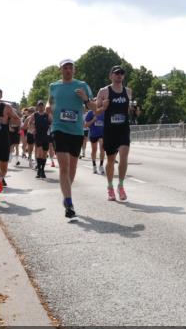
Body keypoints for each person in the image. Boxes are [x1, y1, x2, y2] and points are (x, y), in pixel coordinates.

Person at [49, 59, 95, 218]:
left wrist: (85, 99)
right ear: (60, 70)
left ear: (74, 70)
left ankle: (66, 193)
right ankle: (68, 202)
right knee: (64, 166)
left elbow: (94, 108)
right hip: (59, 129)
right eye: (65, 68)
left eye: (70, 67)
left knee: (73, 168)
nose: (68, 70)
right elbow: (51, 103)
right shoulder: (54, 86)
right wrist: (50, 108)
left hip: (76, 131)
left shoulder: (82, 86)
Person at [95, 65, 134, 201]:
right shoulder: (104, 91)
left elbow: (129, 109)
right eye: (116, 73)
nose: (119, 75)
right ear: (111, 75)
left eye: (121, 73)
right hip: (110, 130)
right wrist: (103, 107)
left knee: (124, 156)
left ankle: (121, 185)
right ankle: (110, 187)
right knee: (110, 160)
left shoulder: (128, 91)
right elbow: (96, 110)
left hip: (123, 128)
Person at [31, 101, 52, 179]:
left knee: (44, 154)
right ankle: (39, 170)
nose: (41, 107)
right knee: (39, 153)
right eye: (39, 106)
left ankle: (42, 170)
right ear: (37, 107)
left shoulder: (47, 115)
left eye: (42, 106)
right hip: (38, 136)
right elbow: (30, 122)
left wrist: (50, 127)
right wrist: (33, 128)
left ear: (44, 107)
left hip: (46, 136)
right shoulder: (35, 114)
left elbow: (52, 122)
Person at [84, 107, 105, 174]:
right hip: (93, 134)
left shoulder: (104, 112)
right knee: (94, 150)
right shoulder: (90, 112)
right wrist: (93, 120)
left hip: (102, 134)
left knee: (102, 148)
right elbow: (86, 125)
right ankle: (94, 165)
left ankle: (101, 165)